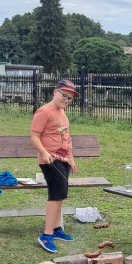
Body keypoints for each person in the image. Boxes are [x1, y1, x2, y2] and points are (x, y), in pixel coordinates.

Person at [30, 79, 79, 253]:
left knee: (61, 194)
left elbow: (67, 137)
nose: (66, 100)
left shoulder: (62, 113)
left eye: (70, 98)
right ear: (54, 92)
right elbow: (34, 136)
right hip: (50, 160)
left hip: (63, 160)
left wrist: (71, 158)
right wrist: (44, 152)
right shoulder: (44, 111)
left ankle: (57, 229)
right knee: (56, 195)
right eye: (63, 95)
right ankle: (46, 235)